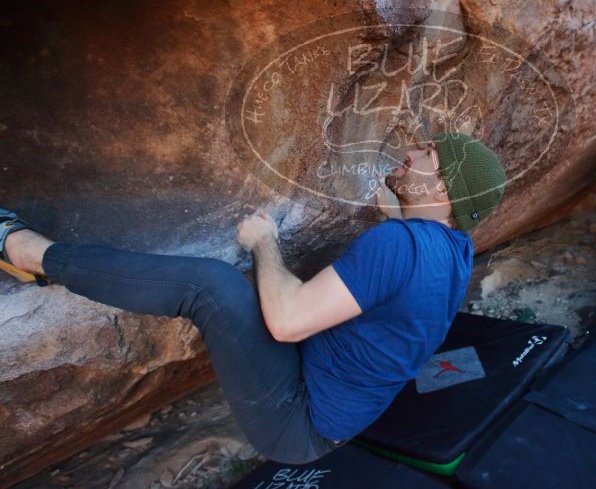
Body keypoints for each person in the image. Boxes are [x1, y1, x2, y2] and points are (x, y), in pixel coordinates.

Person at [0, 131, 507, 463]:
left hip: (298, 422)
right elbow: (402, 259)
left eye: (429, 154)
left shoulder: (399, 244)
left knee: (211, 285)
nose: (413, 148)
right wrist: (398, 197)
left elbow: (286, 323)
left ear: (443, 188)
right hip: (338, 414)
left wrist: (264, 242)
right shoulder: (455, 249)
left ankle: (29, 253)